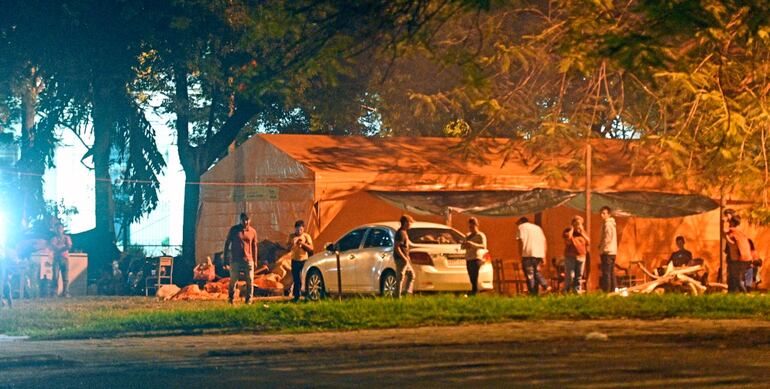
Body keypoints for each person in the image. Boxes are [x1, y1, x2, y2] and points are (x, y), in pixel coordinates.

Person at [223, 212, 258, 304]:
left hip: (248, 259)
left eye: (247, 220)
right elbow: (227, 244)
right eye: (243, 220)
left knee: (250, 280)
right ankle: (231, 299)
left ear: (250, 220)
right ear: (240, 220)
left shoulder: (252, 231)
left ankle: (249, 300)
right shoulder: (234, 230)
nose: (245, 222)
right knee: (233, 280)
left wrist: (255, 260)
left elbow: (254, 246)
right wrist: (225, 258)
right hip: (235, 259)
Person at [516, 217, 550, 295]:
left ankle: (533, 293)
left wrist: (520, 255)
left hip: (527, 254)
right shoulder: (538, 228)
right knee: (536, 272)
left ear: (521, 222)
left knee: (530, 274)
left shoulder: (521, 227)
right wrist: (544, 256)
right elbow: (544, 241)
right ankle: (545, 287)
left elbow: (520, 241)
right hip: (539, 254)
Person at [723, 214, 752, 293]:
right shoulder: (740, 232)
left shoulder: (733, 232)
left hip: (738, 260)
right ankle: (744, 294)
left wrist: (725, 221)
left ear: (732, 222)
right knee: (737, 279)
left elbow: (725, 232)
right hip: (744, 260)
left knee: (736, 280)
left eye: (730, 221)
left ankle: (747, 295)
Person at [287, 220, 314, 302]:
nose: (299, 231)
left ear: (303, 229)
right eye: (297, 229)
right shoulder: (291, 236)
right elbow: (287, 248)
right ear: (295, 229)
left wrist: (303, 244)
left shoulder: (306, 236)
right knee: (296, 278)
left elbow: (311, 248)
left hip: (304, 260)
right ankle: (296, 296)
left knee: (304, 277)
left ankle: (307, 295)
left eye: (301, 230)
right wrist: (293, 243)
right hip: (295, 260)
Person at [563, 215, 589, 293]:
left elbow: (588, 241)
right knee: (570, 276)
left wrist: (582, 232)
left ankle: (577, 291)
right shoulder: (568, 231)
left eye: (580, 223)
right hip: (570, 256)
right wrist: (572, 229)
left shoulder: (583, 233)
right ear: (573, 224)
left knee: (579, 276)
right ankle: (567, 291)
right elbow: (568, 240)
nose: (579, 225)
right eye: (577, 223)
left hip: (581, 257)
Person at [462, 217, 487, 295]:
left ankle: (475, 292)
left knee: (474, 276)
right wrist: (464, 245)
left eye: (472, 227)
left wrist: (473, 245)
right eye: (469, 227)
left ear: (477, 225)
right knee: (471, 277)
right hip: (468, 258)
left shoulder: (480, 235)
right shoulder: (467, 235)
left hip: (476, 258)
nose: (471, 229)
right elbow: (462, 246)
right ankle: (474, 291)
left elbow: (484, 246)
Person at [394, 215, 415, 298]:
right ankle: (397, 296)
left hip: (405, 259)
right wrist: (404, 257)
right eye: (410, 222)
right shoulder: (400, 233)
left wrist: (407, 256)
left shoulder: (404, 232)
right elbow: (396, 247)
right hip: (400, 259)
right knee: (400, 277)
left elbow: (405, 246)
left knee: (411, 275)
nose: (411, 224)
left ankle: (407, 292)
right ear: (406, 222)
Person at [49, 223, 72, 298]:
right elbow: (53, 246)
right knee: (55, 277)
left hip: (65, 259)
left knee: (65, 277)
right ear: (56, 230)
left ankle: (65, 293)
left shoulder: (66, 237)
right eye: (57, 228)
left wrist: (60, 248)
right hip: (56, 259)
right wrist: (63, 247)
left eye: (60, 228)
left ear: (63, 229)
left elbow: (69, 246)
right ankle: (54, 293)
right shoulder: (54, 238)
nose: (59, 230)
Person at [599, 206, 618, 292]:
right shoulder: (611, 224)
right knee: (611, 272)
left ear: (609, 214)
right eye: (601, 213)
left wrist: (602, 248)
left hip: (607, 252)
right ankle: (613, 290)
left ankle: (608, 291)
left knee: (606, 272)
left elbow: (607, 238)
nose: (602, 215)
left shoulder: (608, 224)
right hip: (612, 251)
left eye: (604, 213)